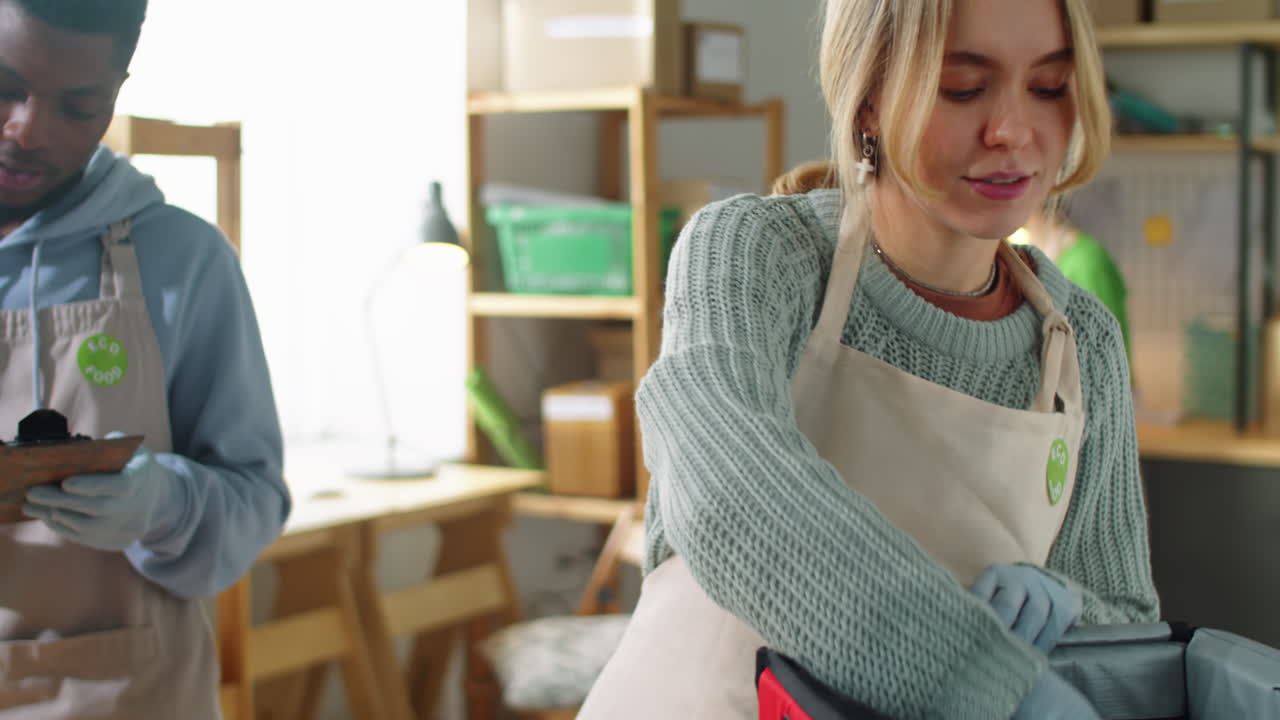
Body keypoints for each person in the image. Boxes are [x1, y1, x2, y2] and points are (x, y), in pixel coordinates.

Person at [579, 0, 1158, 718]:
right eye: (963, 87)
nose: (1011, 130)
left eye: (1048, 88)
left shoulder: (1082, 346)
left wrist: (1071, 612)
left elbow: (1130, 625)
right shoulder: (755, 254)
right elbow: (726, 493)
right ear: (870, 99)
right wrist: (991, 683)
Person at [0, 1, 288, 717]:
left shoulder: (181, 262)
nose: (27, 129)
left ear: (119, 90)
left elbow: (256, 498)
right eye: (3, 86)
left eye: (78, 104)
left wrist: (165, 504)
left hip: (127, 694)